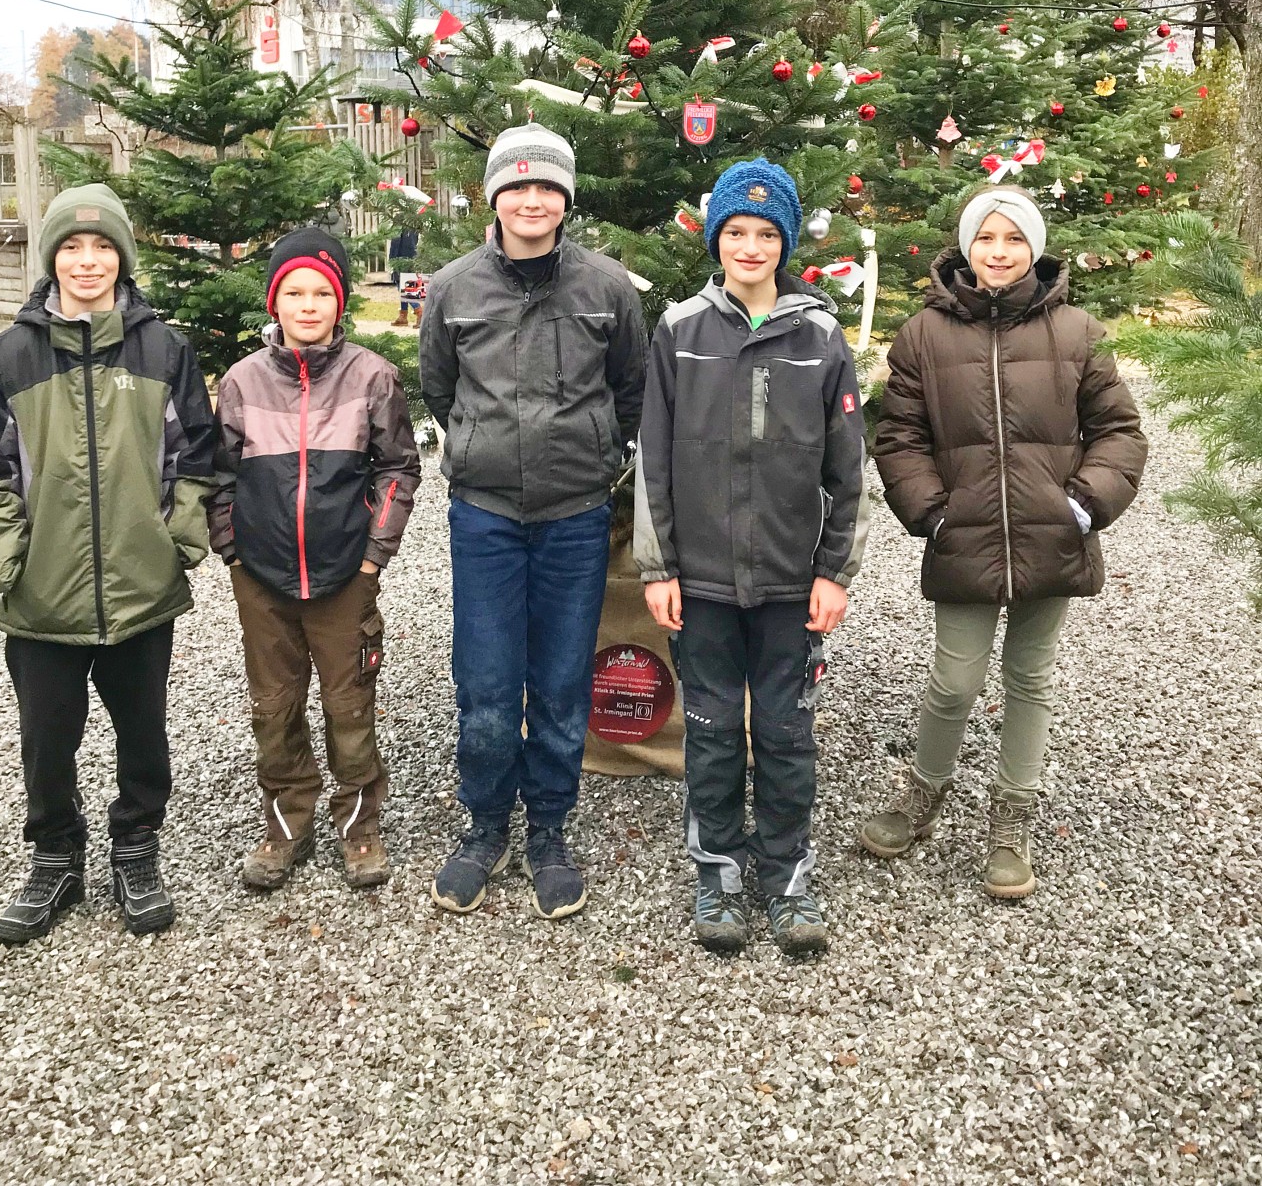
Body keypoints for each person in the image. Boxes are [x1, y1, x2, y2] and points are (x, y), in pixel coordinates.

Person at [0, 184, 217, 944]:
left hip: (141, 591)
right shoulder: (7, 357)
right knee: (47, 737)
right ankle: (55, 855)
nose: (88, 260)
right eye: (71, 246)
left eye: (103, 247)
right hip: (43, 597)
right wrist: (12, 562)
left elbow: (197, 457)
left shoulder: (163, 352)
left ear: (122, 258)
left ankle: (136, 845)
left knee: (143, 732)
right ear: (52, 258)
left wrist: (175, 545)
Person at [865, 187, 1147, 897]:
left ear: (1034, 248)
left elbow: (1119, 431)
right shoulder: (923, 336)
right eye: (986, 238)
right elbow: (899, 437)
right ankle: (923, 792)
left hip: (1052, 538)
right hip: (964, 537)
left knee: (1030, 679)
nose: (999, 251)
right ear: (967, 247)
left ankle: (1011, 816)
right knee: (954, 680)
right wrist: (933, 514)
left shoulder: (1076, 332)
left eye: (1014, 238)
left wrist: (1082, 506)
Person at [634, 158, 868, 956]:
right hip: (700, 581)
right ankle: (719, 875)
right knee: (711, 733)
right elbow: (653, 459)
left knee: (785, 732)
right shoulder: (679, 332)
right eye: (735, 231)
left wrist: (833, 573)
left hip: (789, 585)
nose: (750, 247)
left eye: (767, 234)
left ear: (786, 244)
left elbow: (849, 469)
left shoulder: (820, 336)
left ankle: (788, 875)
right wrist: (659, 567)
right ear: (716, 239)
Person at [419, 124, 648, 920]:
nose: (532, 199)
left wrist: (598, 454)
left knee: (559, 682)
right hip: (485, 517)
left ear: (565, 198)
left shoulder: (608, 288)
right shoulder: (452, 289)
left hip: (574, 517)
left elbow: (631, 389)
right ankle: (485, 827)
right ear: (494, 196)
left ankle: (548, 829)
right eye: (517, 185)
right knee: (486, 685)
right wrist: (481, 448)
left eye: (547, 186)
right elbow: (439, 388)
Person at [210, 227, 420, 891]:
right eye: (294, 292)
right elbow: (218, 477)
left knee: (349, 705)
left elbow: (398, 468)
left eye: (322, 293)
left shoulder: (372, 376)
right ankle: (285, 823)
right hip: (261, 577)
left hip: (344, 575)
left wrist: (373, 555)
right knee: (274, 709)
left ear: (340, 301)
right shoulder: (242, 381)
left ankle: (359, 825)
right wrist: (232, 551)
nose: (308, 305)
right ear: (274, 301)